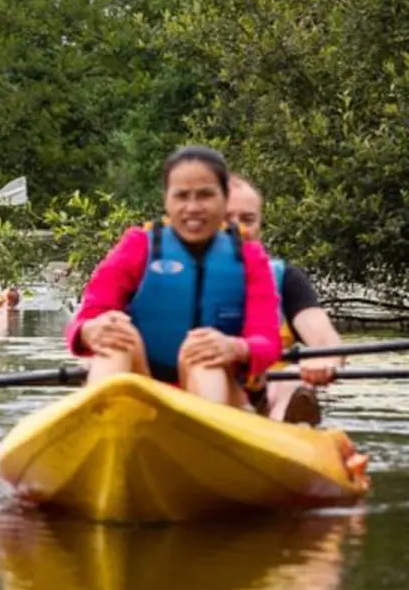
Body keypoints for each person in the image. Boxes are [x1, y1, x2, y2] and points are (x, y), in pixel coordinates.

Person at [64, 145, 284, 408]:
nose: (192, 207)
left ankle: (205, 431)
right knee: (116, 338)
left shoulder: (250, 258)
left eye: (205, 195)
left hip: (219, 388)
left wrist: (235, 348)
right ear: (166, 200)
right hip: (143, 386)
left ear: (225, 199)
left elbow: (268, 341)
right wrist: (89, 331)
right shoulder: (137, 246)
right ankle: (103, 422)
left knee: (203, 353)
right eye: (181, 196)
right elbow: (84, 320)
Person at [227, 174, 342, 425]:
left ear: (259, 226)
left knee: (292, 377)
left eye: (248, 219)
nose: (239, 228)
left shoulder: (285, 279)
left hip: (270, 396)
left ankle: (281, 433)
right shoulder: (176, 276)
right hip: (205, 394)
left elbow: (324, 338)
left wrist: (321, 359)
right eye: (226, 219)